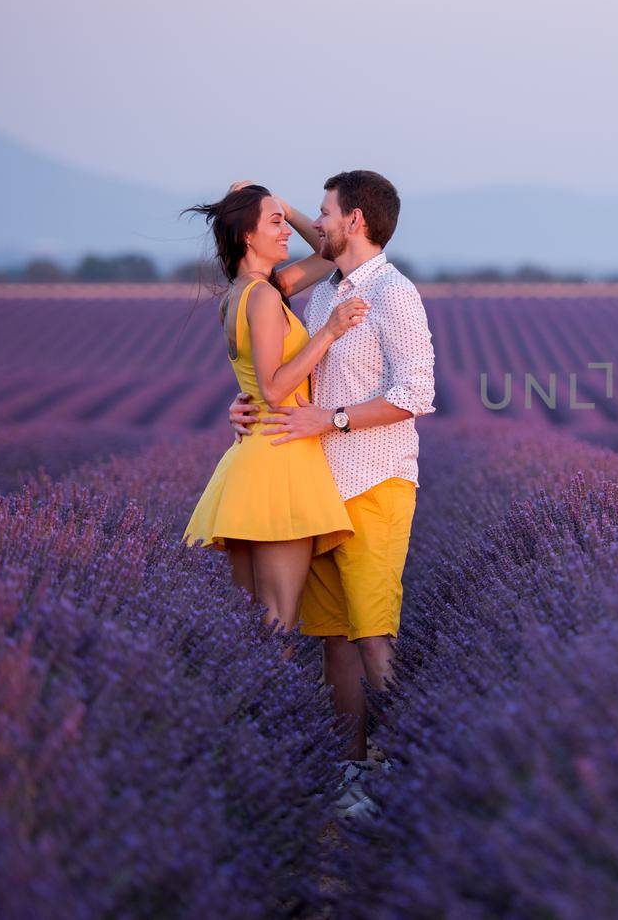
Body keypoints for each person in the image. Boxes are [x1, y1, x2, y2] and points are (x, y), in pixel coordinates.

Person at [228, 169, 436, 821]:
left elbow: (416, 394)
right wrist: (248, 404)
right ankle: (351, 769)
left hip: (375, 481)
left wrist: (335, 419)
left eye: (322, 212)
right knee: (333, 639)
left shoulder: (393, 294)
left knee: (375, 634)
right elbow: (288, 376)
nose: (309, 223)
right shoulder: (323, 295)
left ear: (355, 221)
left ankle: (403, 770)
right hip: (314, 486)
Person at [182, 184, 367, 631]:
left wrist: (280, 204)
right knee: (277, 622)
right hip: (280, 461)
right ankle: (271, 703)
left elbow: (329, 255)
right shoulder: (265, 297)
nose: (285, 230)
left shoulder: (245, 293)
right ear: (249, 235)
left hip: (251, 462)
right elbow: (273, 389)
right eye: (275, 222)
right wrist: (328, 331)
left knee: (250, 628)